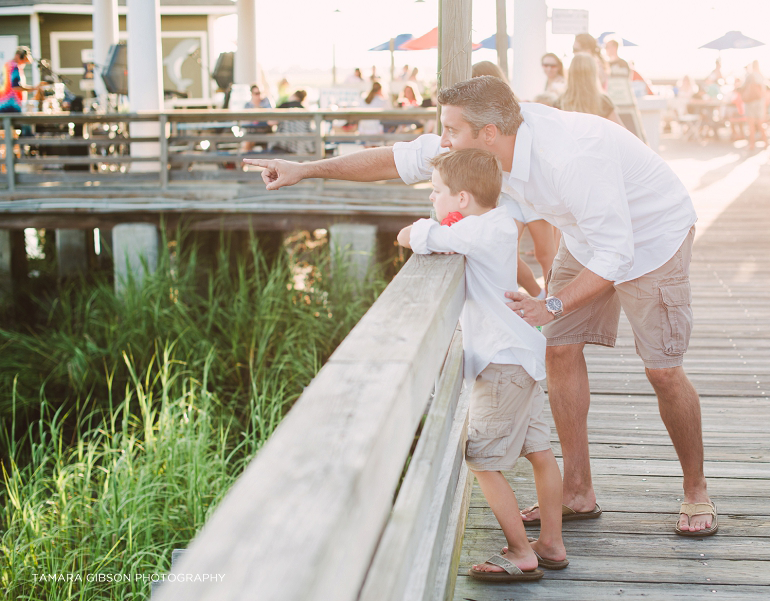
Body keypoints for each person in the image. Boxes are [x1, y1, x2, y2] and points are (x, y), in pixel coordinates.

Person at [242, 76, 718, 537]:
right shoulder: (480, 145)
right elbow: (397, 159)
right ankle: (577, 491)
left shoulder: (571, 158)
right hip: (588, 233)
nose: (442, 139)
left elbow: (619, 253)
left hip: (654, 236)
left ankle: (695, 491)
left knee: (662, 370)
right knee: (559, 350)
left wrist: (550, 302)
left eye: (450, 129)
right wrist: (306, 170)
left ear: (487, 133)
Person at [396, 148, 566, 582]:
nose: (432, 199)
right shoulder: (499, 220)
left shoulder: (473, 233)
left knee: (482, 460)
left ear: (463, 198)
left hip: (500, 363)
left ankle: (521, 551)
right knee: (540, 452)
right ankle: (551, 542)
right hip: (522, 355)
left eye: (437, 192)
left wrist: (435, 225)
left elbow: (412, 235)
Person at [471, 61, 558, 300]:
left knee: (545, 253)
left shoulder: (516, 111)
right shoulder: (473, 119)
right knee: (504, 249)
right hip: (506, 192)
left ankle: (552, 307)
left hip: (530, 190)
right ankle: (538, 296)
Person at [560, 54, 625, 128]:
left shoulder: (560, 102)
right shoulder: (602, 101)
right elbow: (622, 132)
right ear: (593, 73)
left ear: (571, 73)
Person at [1, 46, 46, 113]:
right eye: (23, 59)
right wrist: (33, 88)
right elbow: (16, 86)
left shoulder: (8, 64)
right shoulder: (14, 67)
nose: (24, 62)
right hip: (11, 105)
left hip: (5, 103)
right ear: (19, 56)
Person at [276, 90, 314, 155]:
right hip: (301, 143)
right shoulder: (305, 109)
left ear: (294, 96)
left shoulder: (284, 106)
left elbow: (271, 122)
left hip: (285, 142)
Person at [740, 61, 768, 148]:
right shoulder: (762, 76)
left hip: (751, 102)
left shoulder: (750, 75)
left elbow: (743, 87)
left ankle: (752, 144)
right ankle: (766, 142)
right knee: (760, 123)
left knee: (751, 124)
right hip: (760, 102)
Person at [241, 84, 273, 153]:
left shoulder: (266, 102)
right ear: (251, 94)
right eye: (256, 93)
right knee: (246, 146)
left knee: (268, 149)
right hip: (252, 132)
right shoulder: (247, 105)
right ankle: (242, 162)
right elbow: (245, 121)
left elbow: (270, 118)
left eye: (260, 93)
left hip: (265, 131)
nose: (258, 95)